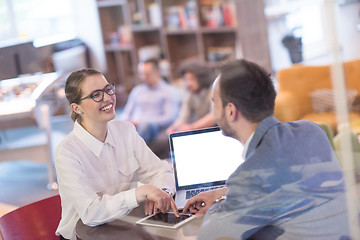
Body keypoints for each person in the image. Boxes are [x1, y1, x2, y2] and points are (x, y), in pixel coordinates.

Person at [182, 59, 350, 239]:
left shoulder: (250, 177)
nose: (213, 112)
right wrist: (220, 193)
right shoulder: (312, 131)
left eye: (214, 103)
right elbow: (283, 180)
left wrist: (219, 205)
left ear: (231, 111)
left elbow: (209, 236)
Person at [55, 68, 178, 240]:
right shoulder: (67, 152)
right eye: (96, 95)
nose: (107, 98)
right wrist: (141, 192)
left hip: (124, 226)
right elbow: (91, 213)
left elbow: (161, 171)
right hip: (83, 236)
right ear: (77, 108)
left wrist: (161, 192)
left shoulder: (125, 130)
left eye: (107, 89)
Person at [120, 59, 180, 141]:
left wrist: (141, 122)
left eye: (147, 74)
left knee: (146, 124)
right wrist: (125, 122)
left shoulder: (168, 92)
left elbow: (169, 118)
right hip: (133, 127)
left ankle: (132, 147)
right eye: (141, 74)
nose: (144, 77)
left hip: (153, 128)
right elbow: (127, 112)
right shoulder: (137, 90)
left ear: (157, 72)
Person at [167, 61, 216, 134]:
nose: (188, 83)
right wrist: (173, 127)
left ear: (202, 78)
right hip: (201, 131)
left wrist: (191, 127)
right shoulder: (190, 93)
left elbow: (214, 116)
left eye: (192, 79)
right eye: (186, 79)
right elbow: (183, 115)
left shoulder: (213, 91)